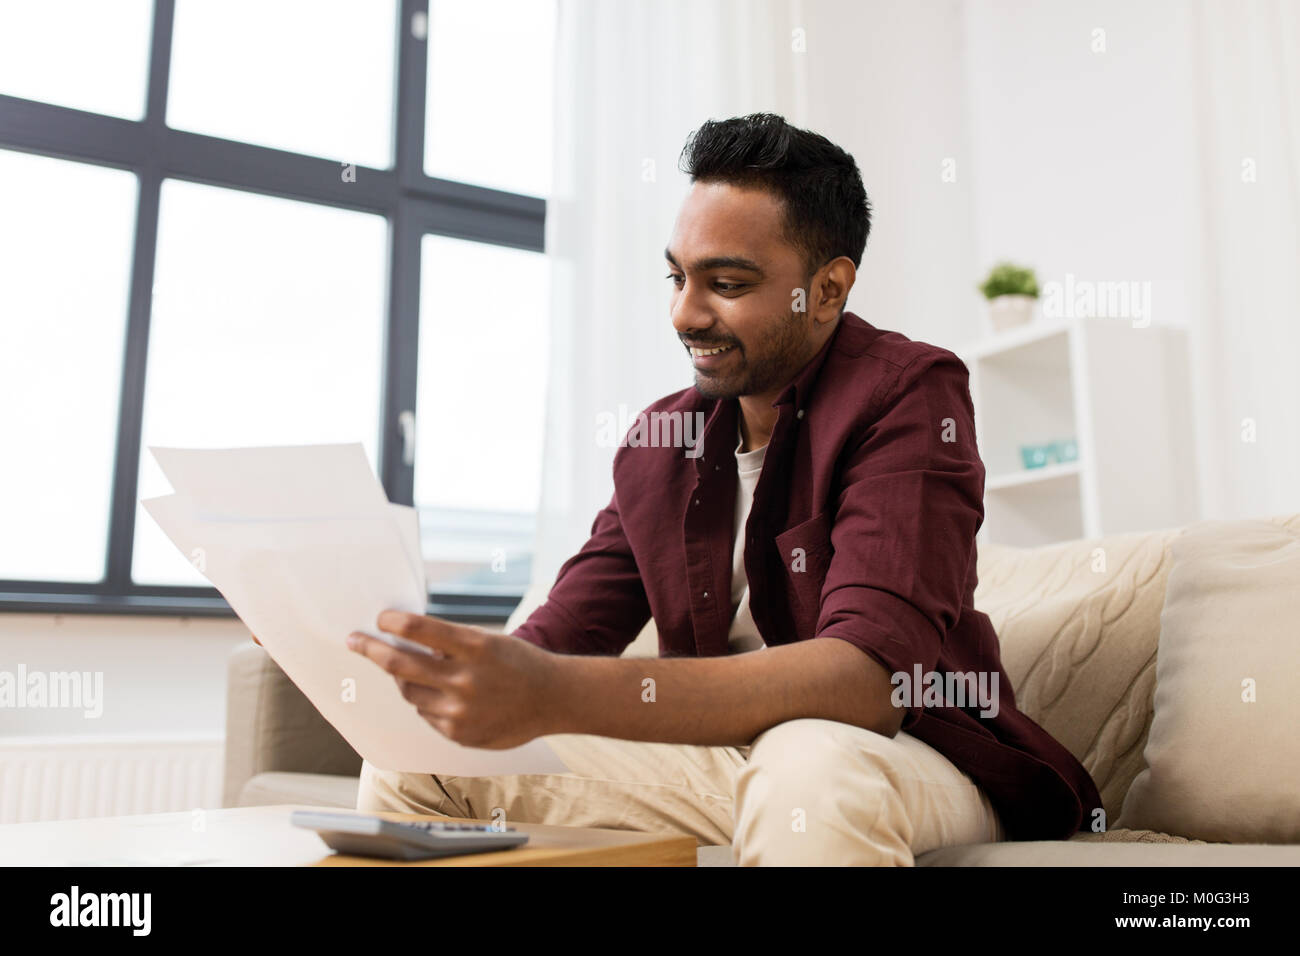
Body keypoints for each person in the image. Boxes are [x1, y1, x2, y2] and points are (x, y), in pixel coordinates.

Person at [335, 113, 1102, 865]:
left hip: (910, 753)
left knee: (809, 767)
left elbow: (868, 683)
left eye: (726, 283)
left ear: (828, 290)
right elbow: (554, 644)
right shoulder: (659, 443)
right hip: (731, 758)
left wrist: (556, 694)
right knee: (418, 763)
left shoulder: (907, 394)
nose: (684, 313)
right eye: (676, 276)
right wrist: (398, 660)